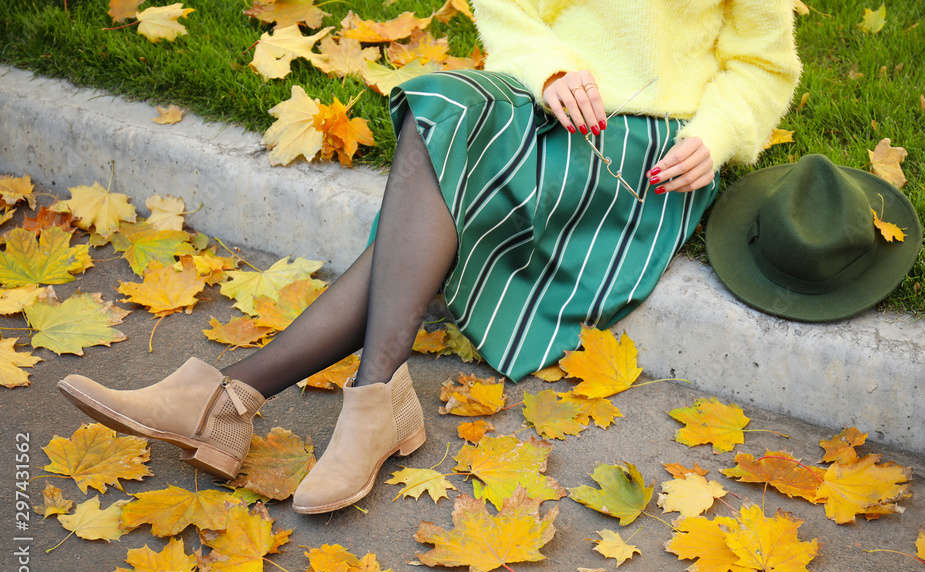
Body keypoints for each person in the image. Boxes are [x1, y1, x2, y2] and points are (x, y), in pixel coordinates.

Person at [58, 0, 802, 514]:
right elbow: (513, 10)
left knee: (435, 196)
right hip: (544, 105)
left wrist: (717, 132)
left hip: (647, 153)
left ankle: (231, 401)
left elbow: (764, 68)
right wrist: (547, 72)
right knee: (439, 104)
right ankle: (356, 401)